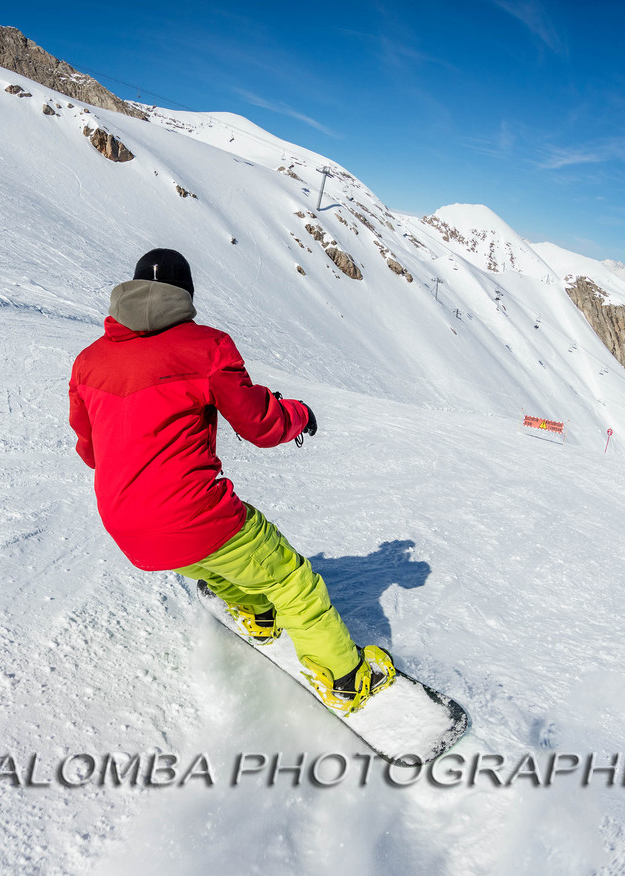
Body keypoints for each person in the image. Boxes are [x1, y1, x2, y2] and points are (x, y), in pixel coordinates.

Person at [67, 248, 394, 712]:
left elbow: (90, 449)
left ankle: (256, 614)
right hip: (191, 513)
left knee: (209, 560)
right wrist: (298, 416)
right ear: (186, 296)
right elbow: (258, 425)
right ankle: (345, 678)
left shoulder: (88, 361)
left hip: (124, 524)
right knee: (291, 580)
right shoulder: (207, 346)